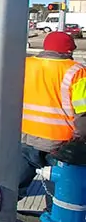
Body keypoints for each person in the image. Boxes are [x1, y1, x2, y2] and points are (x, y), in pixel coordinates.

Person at [18, 31, 86, 202]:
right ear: (68, 51)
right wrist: (80, 138)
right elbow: (82, 112)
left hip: (26, 137)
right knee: (59, 194)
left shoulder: (26, 64)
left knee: (11, 188)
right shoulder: (77, 72)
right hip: (60, 144)